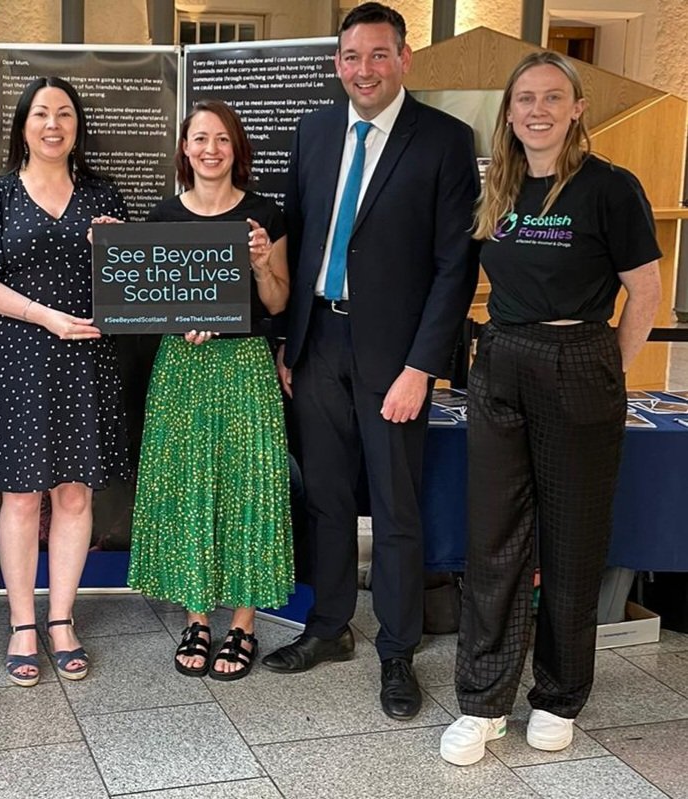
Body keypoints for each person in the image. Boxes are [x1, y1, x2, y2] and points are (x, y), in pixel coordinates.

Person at [440, 51, 662, 766]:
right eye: (524, 98)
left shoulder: (610, 189)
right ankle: (482, 701)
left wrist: (605, 372)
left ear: (576, 109)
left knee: (571, 542)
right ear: (508, 112)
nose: (536, 109)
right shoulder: (498, 187)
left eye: (551, 98)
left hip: (580, 362)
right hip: (501, 358)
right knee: (495, 536)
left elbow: (647, 294)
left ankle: (559, 695)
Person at [262, 2, 479, 722]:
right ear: (337, 64)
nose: (364, 69)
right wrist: (286, 340)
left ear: (404, 58)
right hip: (318, 340)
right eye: (352, 56)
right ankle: (328, 626)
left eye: (378, 55)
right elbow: (294, 233)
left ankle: (396, 648)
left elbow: (455, 266)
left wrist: (423, 366)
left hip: (395, 357)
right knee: (324, 495)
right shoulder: (315, 130)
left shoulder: (446, 141)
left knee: (393, 504)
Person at [0, 77, 130, 686]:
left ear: (77, 124)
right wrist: (44, 316)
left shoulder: (103, 199)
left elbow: (134, 289)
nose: (53, 124)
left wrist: (112, 249)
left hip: (85, 358)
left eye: (64, 113)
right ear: (23, 126)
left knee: (76, 495)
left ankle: (61, 620)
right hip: (16, 358)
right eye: (40, 113)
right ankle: (22, 623)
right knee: (21, 496)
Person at [127, 99, 293, 680]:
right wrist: (114, 249)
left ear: (236, 149)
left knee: (247, 487)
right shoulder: (163, 218)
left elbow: (278, 302)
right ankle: (197, 617)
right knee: (188, 485)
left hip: (244, 364)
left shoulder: (263, 215)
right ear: (185, 149)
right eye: (200, 139)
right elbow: (147, 303)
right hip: (183, 368)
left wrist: (261, 263)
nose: (211, 150)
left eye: (222, 139)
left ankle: (243, 623)